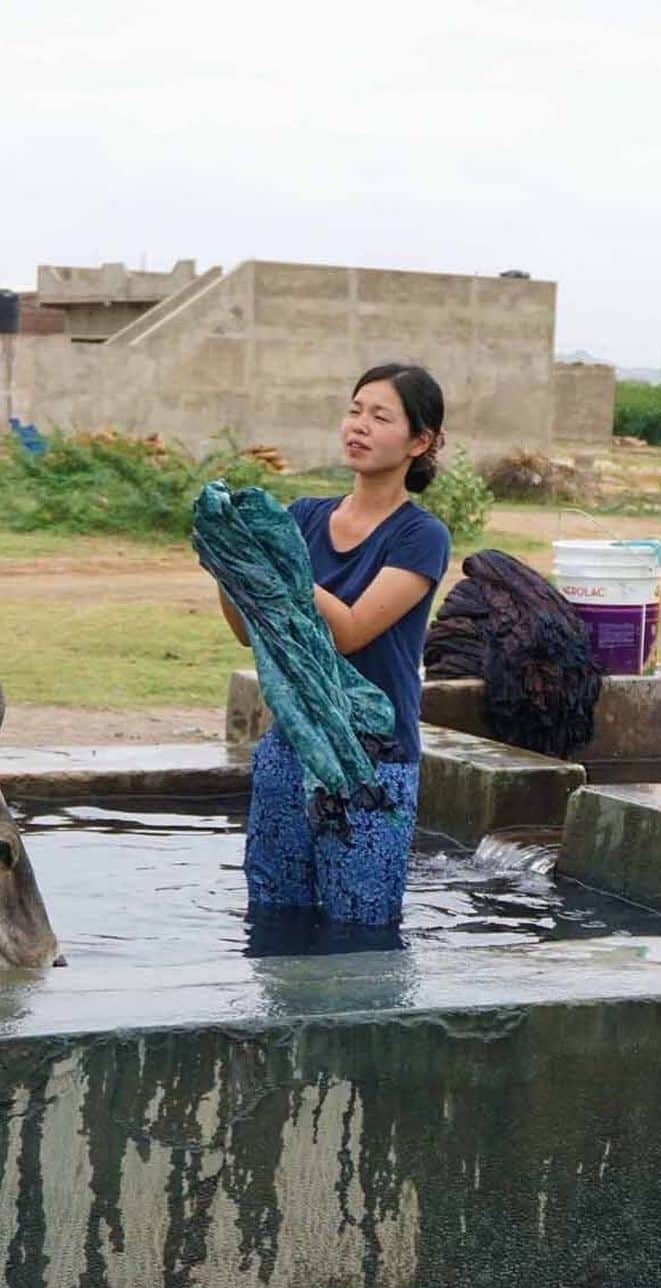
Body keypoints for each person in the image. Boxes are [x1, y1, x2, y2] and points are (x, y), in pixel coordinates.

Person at [218, 363, 451, 927]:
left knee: (361, 930)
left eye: (380, 416)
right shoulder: (302, 516)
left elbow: (348, 631)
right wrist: (232, 564)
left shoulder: (421, 537)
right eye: (354, 410)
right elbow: (251, 632)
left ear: (420, 442)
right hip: (289, 745)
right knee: (273, 916)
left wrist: (284, 570)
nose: (360, 426)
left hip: (371, 760)